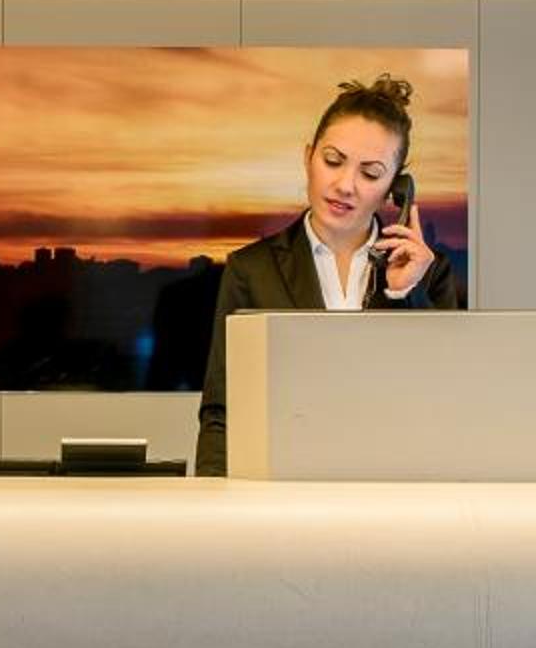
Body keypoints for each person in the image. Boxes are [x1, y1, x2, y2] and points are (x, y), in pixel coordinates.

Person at [194, 74, 463, 474]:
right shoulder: (250, 270)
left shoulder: (430, 274)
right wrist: (216, 500)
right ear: (308, 157)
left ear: (395, 188)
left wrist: (405, 294)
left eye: (370, 173)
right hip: (283, 489)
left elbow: (447, 403)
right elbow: (222, 413)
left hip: (397, 487)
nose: (345, 185)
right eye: (333, 161)